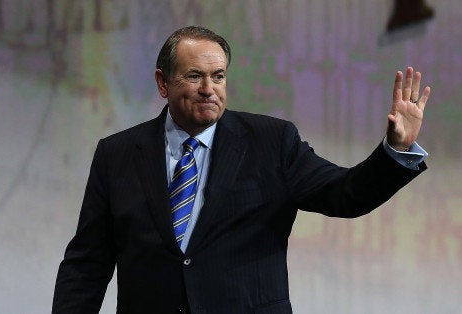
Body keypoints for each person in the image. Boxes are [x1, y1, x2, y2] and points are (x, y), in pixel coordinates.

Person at [53, 26, 431, 314]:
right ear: (162, 83)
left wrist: (395, 150)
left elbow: (345, 194)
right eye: (193, 76)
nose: (208, 89)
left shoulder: (271, 141)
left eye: (218, 76)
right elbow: (88, 262)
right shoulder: (117, 153)